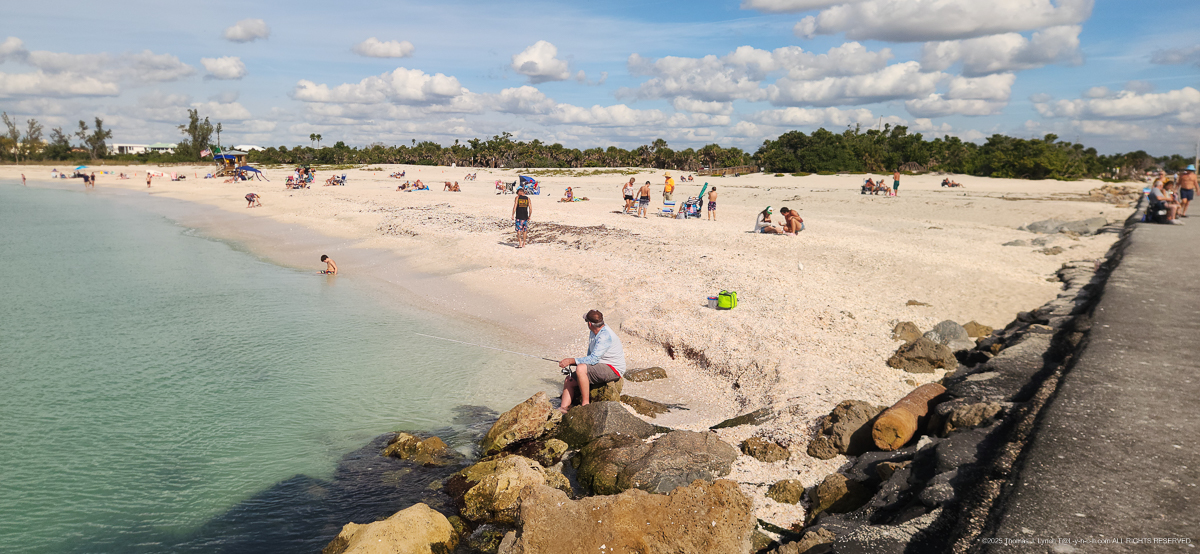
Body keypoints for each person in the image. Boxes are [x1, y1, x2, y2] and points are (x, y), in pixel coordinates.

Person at [557, 309, 625, 414]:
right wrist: (575, 363)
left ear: (589, 324)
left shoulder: (605, 336)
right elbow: (590, 356)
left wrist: (571, 361)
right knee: (569, 380)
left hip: (613, 369)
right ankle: (563, 410)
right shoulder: (593, 332)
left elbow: (593, 359)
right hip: (599, 365)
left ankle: (585, 404)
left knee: (581, 368)